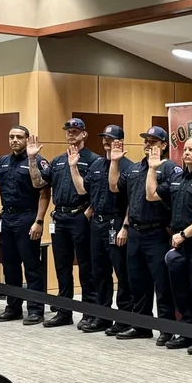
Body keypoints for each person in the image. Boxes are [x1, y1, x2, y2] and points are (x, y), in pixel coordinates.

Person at [148, 137, 192, 355]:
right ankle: (186, 332)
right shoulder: (177, 177)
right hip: (179, 243)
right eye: (184, 149)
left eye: (191, 149)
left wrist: (184, 235)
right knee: (181, 291)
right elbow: (151, 195)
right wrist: (152, 170)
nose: (186, 152)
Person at [28, 118, 100, 329]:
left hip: (80, 216)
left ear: (84, 134)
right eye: (68, 131)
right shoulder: (58, 160)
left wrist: (88, 212)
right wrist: (32, 159)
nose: (71, 134)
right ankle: (64, 311)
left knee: (86, 267)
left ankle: (89, 312)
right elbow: (38, 183)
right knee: (62, 267)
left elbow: (97, 190)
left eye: (76, 131)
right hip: (60, 218)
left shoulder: (94, 160)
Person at [109, 126, 177, 345]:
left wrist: (153, 169)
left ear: (164, 145)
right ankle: (141, 325)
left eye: (154, 141)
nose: (148, 144)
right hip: (135, 232)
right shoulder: (135, 168)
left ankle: (166, 328)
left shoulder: (169, 169)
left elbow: (155, 195)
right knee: (137, 283)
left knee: (162, 284)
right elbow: (114, 187)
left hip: (157, 232)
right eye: (146, 141)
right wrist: (115, 161)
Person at [0, 126, 50, 325]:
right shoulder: (3, 161)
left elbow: (44, 192)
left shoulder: (37, 160)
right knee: (10, 267)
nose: (15, 140)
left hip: (28, 218)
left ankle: (35, 310)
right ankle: (13, 308)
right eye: (11, 137)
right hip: (7, 219)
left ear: (27, 139)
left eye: (19, 137)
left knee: (32, 267)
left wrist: (39, 221)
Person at [73, 124, 133, 336]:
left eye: (110, 138)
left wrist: (125, 227)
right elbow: (83, 190)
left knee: (121, 273)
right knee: (99, 272)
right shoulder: (97, 163)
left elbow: (129, 202)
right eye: (104, 137)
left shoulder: (128, 166)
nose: (106, 141)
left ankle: (125, 317)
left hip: (116, 223)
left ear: (120, 141)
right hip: (97, 225)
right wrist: (73, 167)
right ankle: (103, 314)